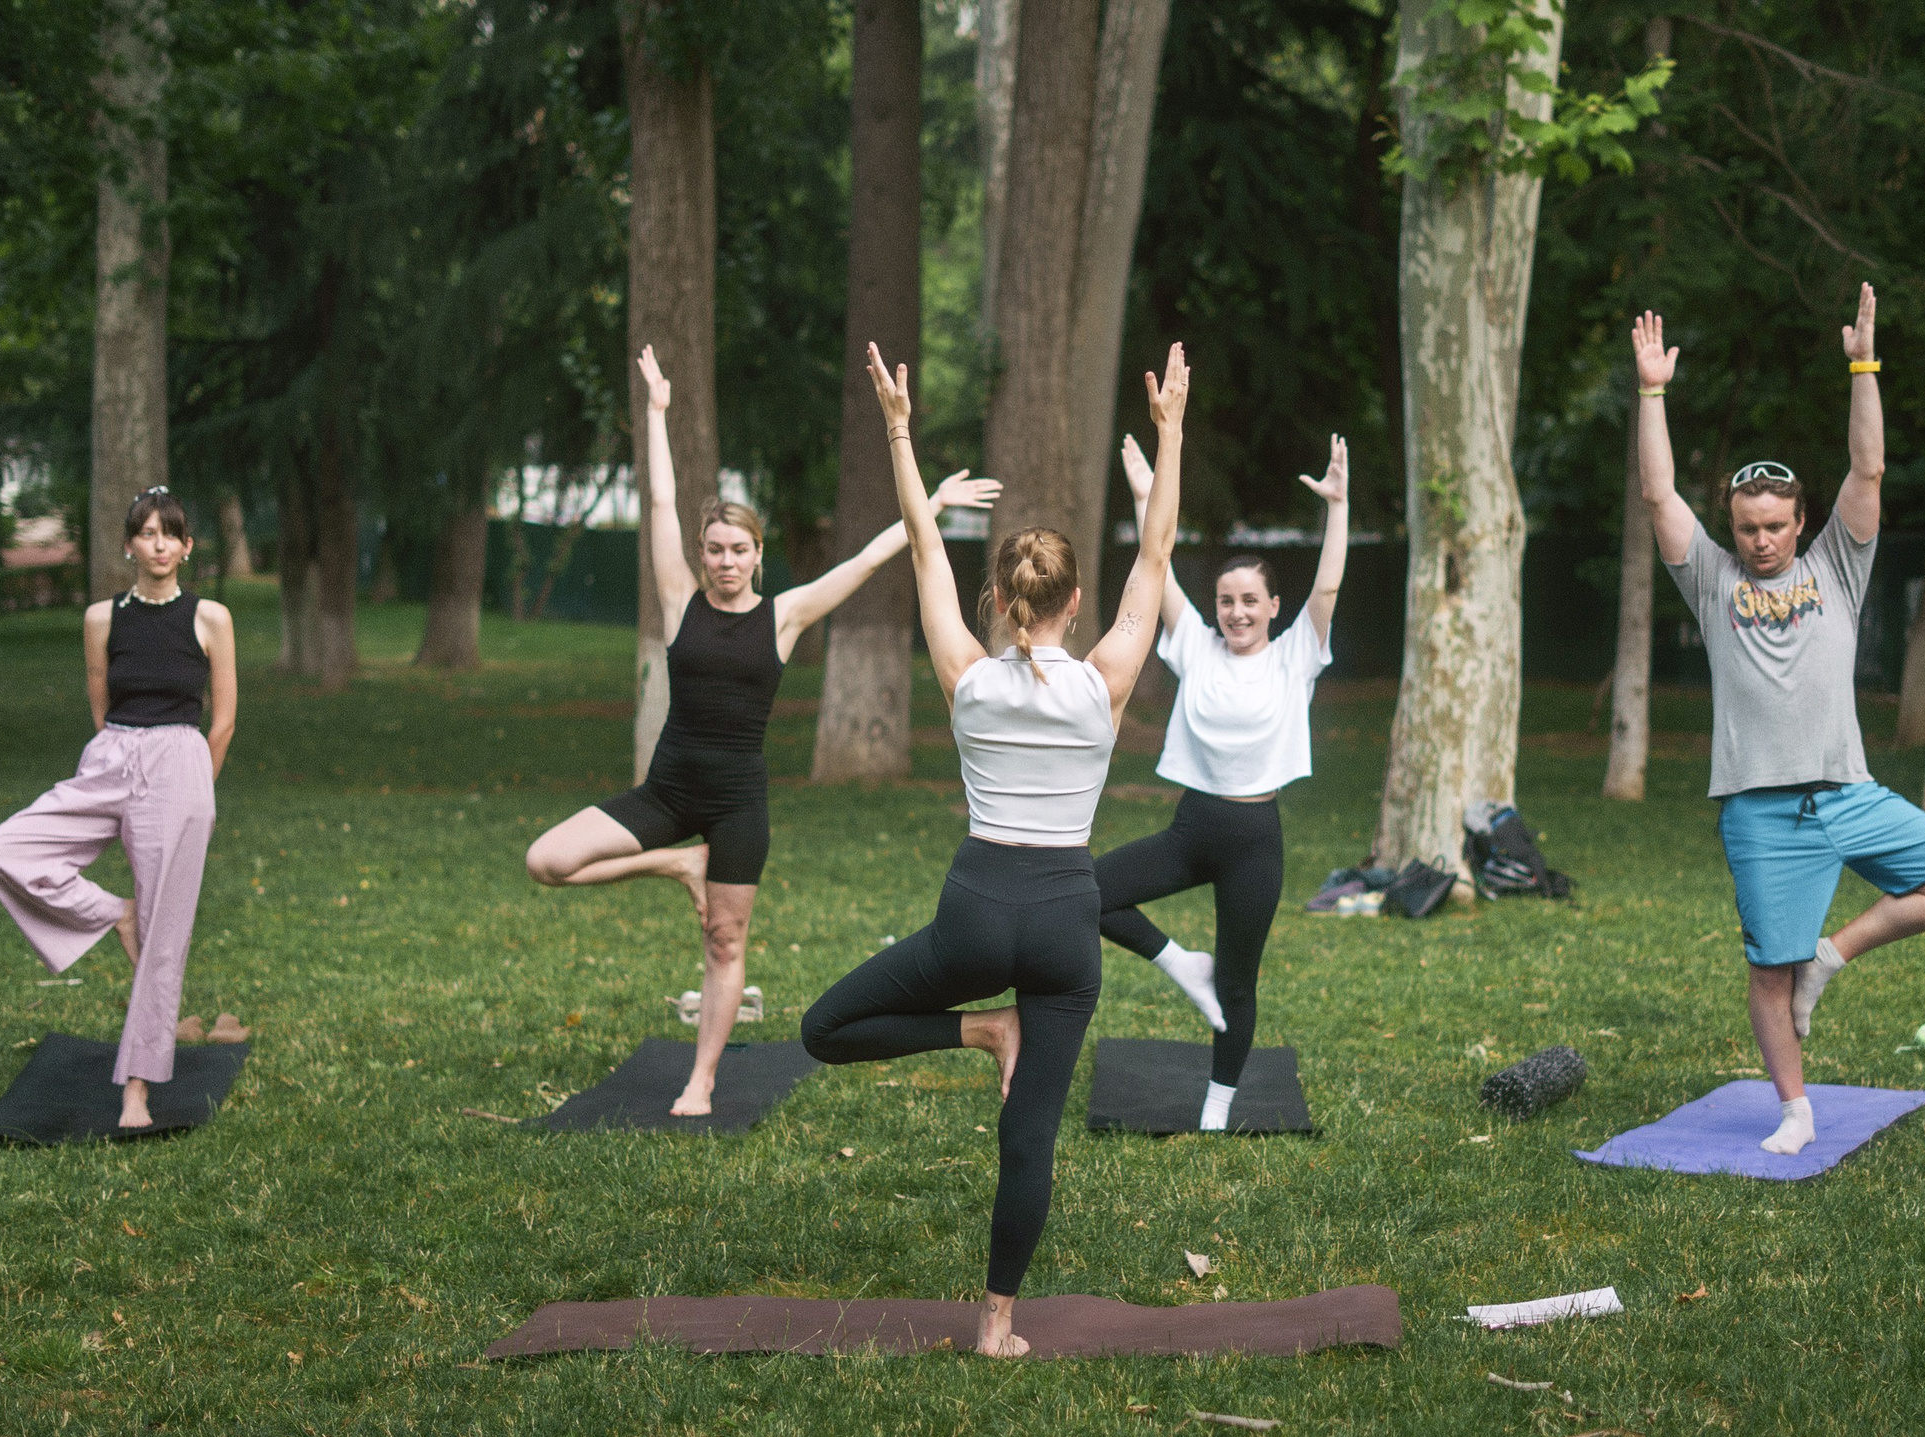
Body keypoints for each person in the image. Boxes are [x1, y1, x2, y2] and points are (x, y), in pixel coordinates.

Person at [803, 339, 1190, 1358]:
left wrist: (898, 426)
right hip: (1065, 920)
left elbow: (926, 549)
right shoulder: (1105, 678)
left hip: (974, 911)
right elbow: (1155, 555)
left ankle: (978, 1034)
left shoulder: (966, 677)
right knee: (1030, 1139)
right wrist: (1171, 431)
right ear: (1072, 604)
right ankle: (997, 1326)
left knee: (825, 1027)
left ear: (1004, 603)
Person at [525, 345, 999, 1117]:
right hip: (667, 793)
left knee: (725, 942)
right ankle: (676, 866)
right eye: (713, 548)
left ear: (758, 555)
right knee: (547, 859)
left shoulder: (786, 614)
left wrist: (934, 504)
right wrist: (655, 410)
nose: (723, 561)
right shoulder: (681, 594)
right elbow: (657, 503)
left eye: (737, 549)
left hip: (739, 803)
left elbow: (871, 558)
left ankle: (702, 1078)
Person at [1634, 284, 1925, 1153]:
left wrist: (1863, 365)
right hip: (1761, 808)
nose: (1761, 540)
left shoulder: (1839, 565)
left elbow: (1868, 471)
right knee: (1766, 970)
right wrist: (1652, 394)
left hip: (1850, 792)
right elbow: (1658, 497)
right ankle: (1795, 1110)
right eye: (1748, 526)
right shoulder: (1712, 580)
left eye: (1776, 525)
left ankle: (1830, 960)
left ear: (1802, 523)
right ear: (1733, 526)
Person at [1094, 431, 1349, 1129]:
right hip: (1192, 829)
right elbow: (1159, 558)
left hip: (1254, 839)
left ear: (1272, 607)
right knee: (1086, 891)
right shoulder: (1196, 648)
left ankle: (1218, 1105)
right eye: (1227, 600)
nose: (1236, 611)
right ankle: (1181, 963)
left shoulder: (1297, 655)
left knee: (1239, 980)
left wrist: (1338, 504)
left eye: (1249, 601)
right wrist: (1148, 491)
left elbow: (1327, 584)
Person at [0, 488, 238, 1129]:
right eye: (145, 533)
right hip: (112, 755)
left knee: (163, 938)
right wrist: (118, 761)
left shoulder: (212, 618)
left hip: (181, 765)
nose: (156, 544)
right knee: (1, 850)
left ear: (186, 547)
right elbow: (100, 702)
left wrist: (194, 790)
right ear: (128, 544)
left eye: (168, 534)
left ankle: (137, 1092)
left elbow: (224, 720)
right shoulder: (101, 618)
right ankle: (112, 913)